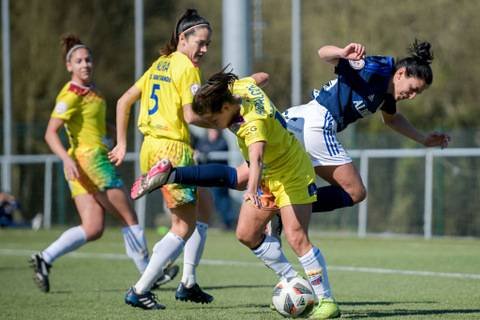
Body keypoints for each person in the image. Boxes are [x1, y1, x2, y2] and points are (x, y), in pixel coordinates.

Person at [134, 40, 450, 218]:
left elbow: (392, 119)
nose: (412, 94)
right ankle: (287, 215)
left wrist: (424, 139)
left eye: (417, 93)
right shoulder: (380, 67)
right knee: (355, 192)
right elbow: (322, 53)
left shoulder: (385, 93)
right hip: (318, 123)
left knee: (241, 177)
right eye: (414, 87)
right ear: (402, 72)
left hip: (300, 118)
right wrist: (341, 53)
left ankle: (172, 173)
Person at [138, 70, 341, 318]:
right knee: (246, 234)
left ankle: (327, 301)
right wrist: (252, 85)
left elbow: (255, 159)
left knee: (296, 237)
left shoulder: (252, 123)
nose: (212, 125)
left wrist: (252, 189)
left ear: (225, 108)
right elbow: (263, 76)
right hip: (271, 170)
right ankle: (293, 281)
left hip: (292, 174)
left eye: (213, 120)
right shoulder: (239, 90)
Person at [32, 35, 178, 294]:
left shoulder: (94, 92)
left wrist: (112, 131)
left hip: (83, 164)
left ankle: (45, 258)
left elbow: (92, 126)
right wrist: (66, 159)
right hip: (91, 162)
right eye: (78, 61)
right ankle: (149, 274)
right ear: (69, 67)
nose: (85, 64)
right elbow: (50, 132)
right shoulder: (71, 93)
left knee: (94, 227)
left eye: (88, 59)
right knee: (128, 216)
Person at [108, 9, 215, 310]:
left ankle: (189, 282)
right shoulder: (186, 67)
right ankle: (140, 289)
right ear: (183, 38)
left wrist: (122, 143)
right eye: (201, 43)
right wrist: (225, 122)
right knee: (182, 227)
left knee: (202, 209)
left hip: (151, 147)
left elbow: (123, 101)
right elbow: (191, 116)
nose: (204, 50)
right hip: (172, 151)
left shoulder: (160, 64)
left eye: (209, 44)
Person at [192, 129, 235, 230]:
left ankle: (227, 223)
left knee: (222, 201)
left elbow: (218, 150)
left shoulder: (222, 141)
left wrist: (206, 154)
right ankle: (207, 222)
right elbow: (199, 150)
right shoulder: (203, 141)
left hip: (220, 179)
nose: (213, 133)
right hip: (205, 178)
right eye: (212, 131)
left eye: (215, 131)